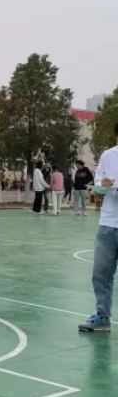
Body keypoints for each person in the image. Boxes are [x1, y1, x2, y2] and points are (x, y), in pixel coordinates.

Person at [79, 122, 118, 331]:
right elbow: (97, 188)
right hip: (107, 224)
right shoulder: (108, 156)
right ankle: (103, 317)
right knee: (100, 273)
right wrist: (102, 186)